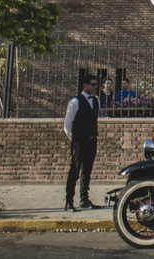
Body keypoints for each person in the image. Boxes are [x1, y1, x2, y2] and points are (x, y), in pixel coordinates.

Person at [63, 74, 102, 211]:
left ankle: (84, 199)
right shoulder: (75, 102)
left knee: (87, 171)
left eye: (96, 84)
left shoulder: (96, 101)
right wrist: (75, 138)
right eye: (93, 84)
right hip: (79, 142)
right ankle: (69, 201)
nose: (95, 87)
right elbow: (68, 125)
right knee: (74, 171)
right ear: (85, 85)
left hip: (92, 140)